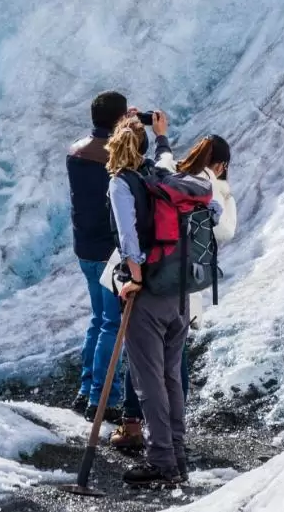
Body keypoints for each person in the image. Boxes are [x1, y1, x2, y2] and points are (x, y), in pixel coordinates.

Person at [107, 114, 223, 486]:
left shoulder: (121, 184)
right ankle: (177, 453)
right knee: (171, 375)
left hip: (151, 292)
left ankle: (162, 461)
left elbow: (128, 240)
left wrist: (133, 280)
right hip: (181, 292)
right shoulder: (161, 175)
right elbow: (169, 159)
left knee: (148, 380)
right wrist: (161, 135)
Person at [66, 91, 133, 421]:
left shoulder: (75, 151)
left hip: (85, 248)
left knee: (98, 319)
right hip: (110, 253)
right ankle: (102, 399)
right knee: (112, 323)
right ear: (121, 119)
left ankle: (86, 390)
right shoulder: (115, 157)